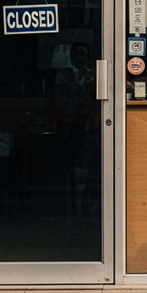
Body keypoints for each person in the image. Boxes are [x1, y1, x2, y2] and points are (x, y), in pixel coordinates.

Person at [52, 42, 97, 226]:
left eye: (83, 54)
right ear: (70, 57)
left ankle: (82, 210)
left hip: (86, 127)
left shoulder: (92, 77)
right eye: (76, 54)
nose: (79, 58)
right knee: (69, 171)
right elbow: (59, 102)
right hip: (67, 127)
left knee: (85, 171)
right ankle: (72, 212)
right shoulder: (64, 75)